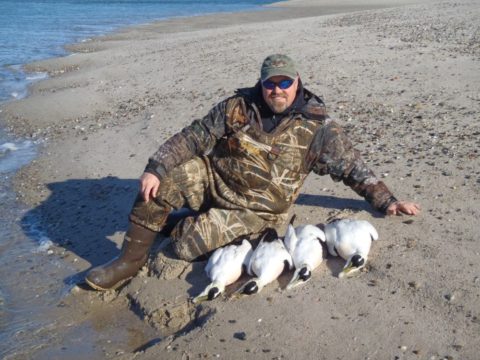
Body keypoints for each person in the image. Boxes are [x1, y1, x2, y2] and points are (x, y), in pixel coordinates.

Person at [85, 54, 420, 291]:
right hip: (215, 180)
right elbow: (194, 135)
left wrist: (387, 200)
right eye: (270, 84)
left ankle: (178, 223)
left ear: (297, 82)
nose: (277, 90)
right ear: (261, 84)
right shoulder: (237, 108)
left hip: (257, 212)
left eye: (284, 83)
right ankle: (127, 262)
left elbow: (352, 167)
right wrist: (155, 168)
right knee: (160, 185)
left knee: (185, 247)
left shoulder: (318, 128)